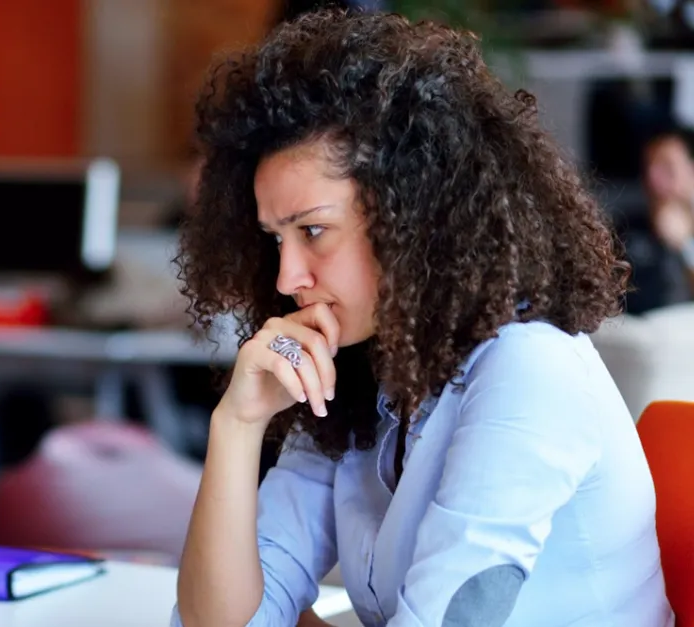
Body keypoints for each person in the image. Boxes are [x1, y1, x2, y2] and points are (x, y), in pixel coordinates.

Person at [172, 10, 671, 627]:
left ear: (415, 216)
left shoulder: (529, 369)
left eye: (314, 231)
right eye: (277, 240)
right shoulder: (357, 371)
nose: (286, 277)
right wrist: (237, 425)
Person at [628, 125, 694, 311]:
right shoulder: (626, 228)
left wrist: (685, 246)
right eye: (649, 166)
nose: (653, 178)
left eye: (667, 167)